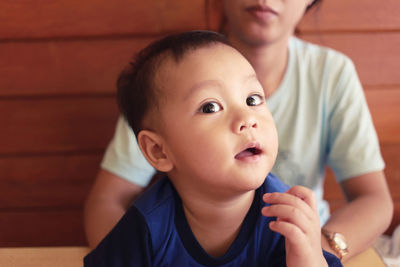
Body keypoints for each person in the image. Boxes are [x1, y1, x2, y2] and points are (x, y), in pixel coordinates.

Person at [84, 0, 393, 262]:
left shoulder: (282, 220)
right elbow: (108, 201)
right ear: (157, 150)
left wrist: (312, 250)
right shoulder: (168, 78)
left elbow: (375, 200)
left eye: (254, 100)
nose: (247, 119)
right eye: (210, 107)